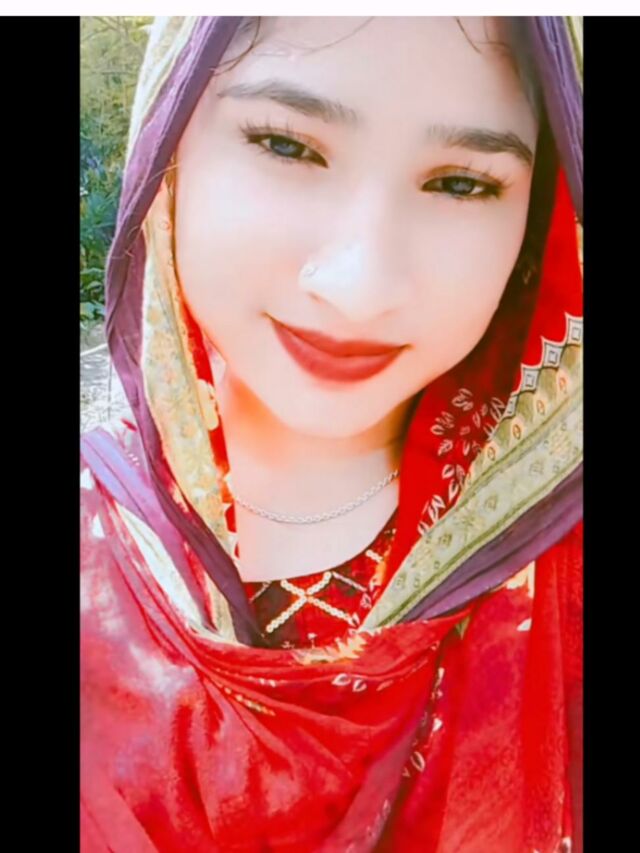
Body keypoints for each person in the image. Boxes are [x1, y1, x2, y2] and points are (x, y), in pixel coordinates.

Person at [81, 16, 583, 852]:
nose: (361, 285)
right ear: (168, 143)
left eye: (461, 183)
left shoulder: (556, 561)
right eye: (286, 145)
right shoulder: (96, 553)